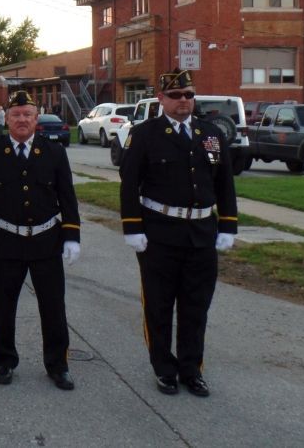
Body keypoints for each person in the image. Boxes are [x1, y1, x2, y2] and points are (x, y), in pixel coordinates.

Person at [119, 69, 238, 398]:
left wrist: (228, 225)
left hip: (201, 233)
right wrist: (132, 227)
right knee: (158, 307)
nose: (183, 100)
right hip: (159, 234)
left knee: (196, 307)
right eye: (175, 96)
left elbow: (224, 182)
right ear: (161, 99)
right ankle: (164, 369)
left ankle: (191, 369)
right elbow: (129, 184)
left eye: (188, 95)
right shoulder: (144, 135)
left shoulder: (210, 134)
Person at [0, 89, 81, 390]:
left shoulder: (54, 152)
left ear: (36, 118)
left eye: (27, 114)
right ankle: (4, 360)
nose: (22, 119)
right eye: (16, 114)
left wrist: (72, 236)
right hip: (7, 240)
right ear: (7, 119)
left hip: (46, 240)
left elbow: (67, 197)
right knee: (3, 307)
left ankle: (58, 364)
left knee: (53, 308)